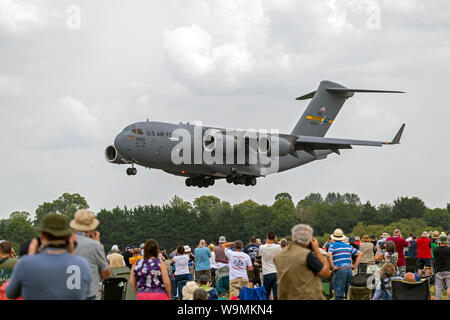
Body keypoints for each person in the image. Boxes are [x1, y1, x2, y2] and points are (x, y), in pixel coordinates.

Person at [6, 213, 91, 300]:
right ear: (67, 237)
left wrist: (30, 256)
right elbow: (83, 294)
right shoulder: (82, 264)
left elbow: (10, 294)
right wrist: (71, 252)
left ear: (42, 235)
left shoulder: (25, 263)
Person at [274, 224, 330, 300]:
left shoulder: (279, 256)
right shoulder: (307, 255)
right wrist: (316, 249)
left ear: (292, 237)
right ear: (309, 240)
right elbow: (326, 273)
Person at [70, 209, 111, 300]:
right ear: (91, 228)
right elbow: (106, 274)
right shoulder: (94, 245)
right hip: (88, 295)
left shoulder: (65, 243)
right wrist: (98, 245)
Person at [327, 229, 362, 300]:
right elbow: (360, 254)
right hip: (349, 270)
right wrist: (355, 266)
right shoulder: (348, 246)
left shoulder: (332, 245)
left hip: (339, 270)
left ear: (334, 237)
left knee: (339, 293)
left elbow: (328, 255)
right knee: (348, 293)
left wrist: (332, 267)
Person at [258, 231, 281, 299]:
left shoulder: (261, 247)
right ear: (274, 238)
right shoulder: (278, 247)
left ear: (267, 237)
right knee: (276, 294)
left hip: (266, 273)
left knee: (266, 294)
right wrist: (275, 240)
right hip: (275, 272)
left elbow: (259, 255)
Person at [432, 235, 450, 300]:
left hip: (439, 270)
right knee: (449, 287)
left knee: (438, 288)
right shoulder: (449, 249)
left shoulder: (435, 249)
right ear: (446, 242)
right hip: (448, 269)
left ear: (439, 242)